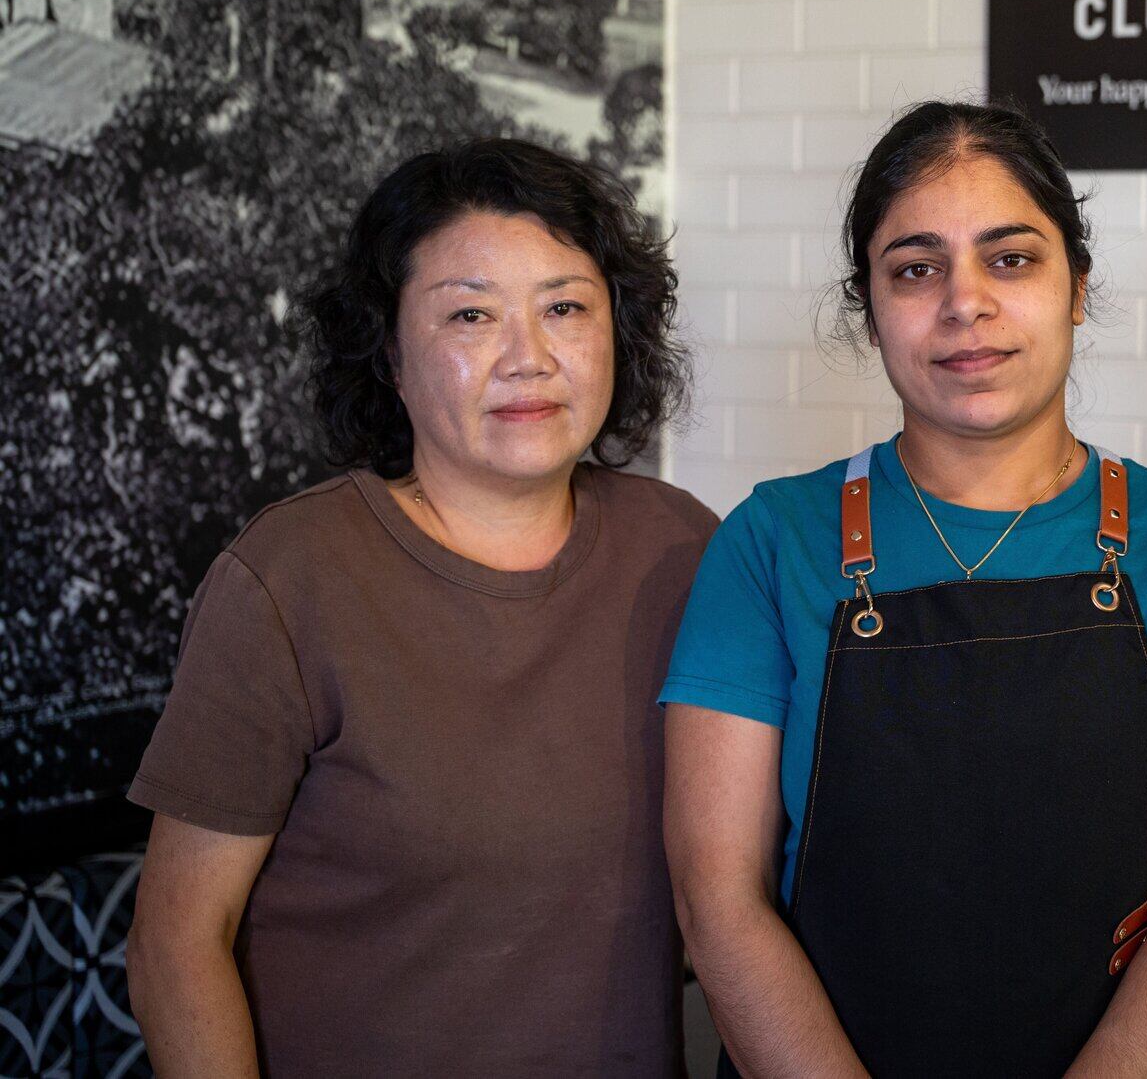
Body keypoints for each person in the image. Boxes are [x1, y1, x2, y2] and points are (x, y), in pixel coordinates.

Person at [661, 100, 1147, 1078]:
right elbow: (718, 901)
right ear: (869, 307)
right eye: (916, 269)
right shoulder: (769, 542)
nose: (966, 302)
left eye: (1010, 258)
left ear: (1076, 286)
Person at [124, 138, 717, 1077]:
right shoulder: (289, 578)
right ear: (390, 355)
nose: (529, 358)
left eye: (565, 307)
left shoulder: (684, 549)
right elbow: (175, 943)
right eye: (471, 314)